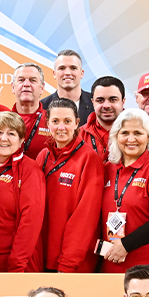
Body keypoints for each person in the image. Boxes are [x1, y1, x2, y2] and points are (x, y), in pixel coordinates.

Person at [99, 108, 149, 274]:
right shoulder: (108, 168)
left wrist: (126, 245)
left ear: (148, 136)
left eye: (138, 133)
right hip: (113, 260)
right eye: (125, 133)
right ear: (116, 137)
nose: (131, 139)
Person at [38, 98, 103, 273]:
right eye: (55, 121)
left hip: (71, 263)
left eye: (67, 121)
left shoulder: (89, 159)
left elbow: (85, 217)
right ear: (47, 124)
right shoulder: (43, 156)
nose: (61, 128)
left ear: (76, 123)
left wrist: (68, 262)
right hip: (43, 256)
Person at [0, 112, 45, 272]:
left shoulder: (30, 171)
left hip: (12, 265)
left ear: (22, 140)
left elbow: (30, 222)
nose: (4, 138)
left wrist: (17, 264)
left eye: (11, 134)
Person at [11, 63, 54, 157]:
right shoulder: (1, 122)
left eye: (32, 80)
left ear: (42, 88)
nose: (26, 84)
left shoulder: (53, 121)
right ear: (13, 87)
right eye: (21, 80)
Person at [41, 49, 94, 123]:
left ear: (81, 73)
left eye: (73, 68)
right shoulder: (41, 107)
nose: (68, 73)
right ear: (54, 74)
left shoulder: (96, 104)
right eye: (62, 68)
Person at [81, 75, 125, 153]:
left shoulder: (138, 133)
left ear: (123, 101)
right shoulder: (78, 136)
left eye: (113, 100)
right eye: (100, 100)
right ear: (93, 102)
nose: (106, 106)